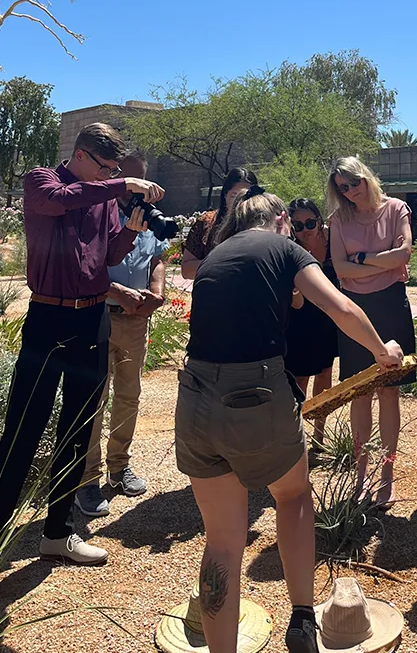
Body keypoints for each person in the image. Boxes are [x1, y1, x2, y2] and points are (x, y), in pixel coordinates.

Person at [175, 185, 403, 653]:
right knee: (293, 494)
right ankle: (301, 618)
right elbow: (339, 305)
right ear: (281, 219)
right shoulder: (284, 248)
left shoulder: (216, 256)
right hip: (254, 392)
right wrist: (383, 351)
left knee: (221, 542)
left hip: (194, 396)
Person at [0, 123, 164, 565]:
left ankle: (58, 532)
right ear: (82, 154)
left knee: (77, 429)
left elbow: (110, 255)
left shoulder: (105, 197)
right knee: (23, 425)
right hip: (48, 316)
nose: (109, 174)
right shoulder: (41, 180)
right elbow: (56, 202)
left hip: (92, 318)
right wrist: (121, 182)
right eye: (105, 166)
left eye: (114, 168)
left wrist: (130, 229)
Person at [75, 151, 169, 517]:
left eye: (143, 182)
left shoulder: (148, 217)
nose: (138, 191)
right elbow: (87, 266)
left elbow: (158, 258)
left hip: (136, 320)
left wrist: (157, 293)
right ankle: (85, 479)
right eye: (131, 181)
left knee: (129, 397)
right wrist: (119, 293)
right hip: (101, 315)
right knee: (93, 400)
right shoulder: (96, 213)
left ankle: (118, 468)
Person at [327, 157, 416, 508]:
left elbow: (405, 253)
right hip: (356, 314)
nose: (349, 192)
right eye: (342, 188)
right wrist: (381, 259)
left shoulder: (396, 208)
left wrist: (361, 261)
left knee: (389, 394)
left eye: (353, 183)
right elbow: (339, 268)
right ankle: (361, 476)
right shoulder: (338, 220)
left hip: (391, 306)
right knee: (360, 394)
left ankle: (387, 475)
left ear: (366, 178)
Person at [286, 198, 339, 448]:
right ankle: (295, 437)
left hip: (328, 317)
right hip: (300, 318)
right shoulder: (290, 247)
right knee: (300, 378)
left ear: (319, 221)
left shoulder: (334, 241)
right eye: (298, 225)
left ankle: (319, 434)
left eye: (310, 222)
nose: (305, 230)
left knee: (326, 373)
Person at [181, 167, 256, 279]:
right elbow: (186, 270)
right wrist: (221, 263)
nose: (240, 202)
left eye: (247, 196)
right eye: (234, 195)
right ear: (225, 195)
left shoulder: (264, 225)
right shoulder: (207, 222)